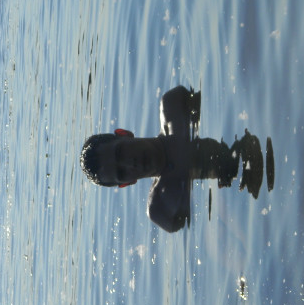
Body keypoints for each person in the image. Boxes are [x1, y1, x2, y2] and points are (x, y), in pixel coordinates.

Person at [80, 86, 265, 232]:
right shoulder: (160, 207)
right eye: (122, 172)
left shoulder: (174, 106)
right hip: (251, 197)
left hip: (254, 140)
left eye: (120, 153)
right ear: (126, 183)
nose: (130, 163)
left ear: (124, 134)